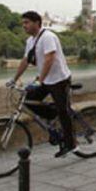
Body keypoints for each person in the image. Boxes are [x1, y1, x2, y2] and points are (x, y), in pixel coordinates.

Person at [8, 11, 78, 157]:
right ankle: (52, 115)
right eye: (23, 23)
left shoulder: (48, 37)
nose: (24, 26)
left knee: (63, 111)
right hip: (45, 80)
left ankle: (71, 143)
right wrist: (14, 79)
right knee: (28, 100)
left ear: (37, 23)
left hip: (59, 79)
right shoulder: (30, 41)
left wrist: (39, 81)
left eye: (27, 22)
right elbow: (25, 61)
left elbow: (49, 59)